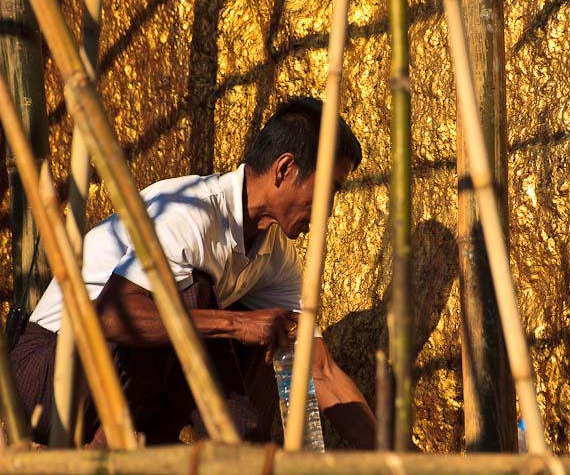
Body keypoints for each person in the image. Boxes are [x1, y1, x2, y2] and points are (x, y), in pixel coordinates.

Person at [10, 97, 376, 448]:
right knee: (199, 294)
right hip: (48, 378)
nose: (328, 210)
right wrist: (236, 325)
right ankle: (118, 443)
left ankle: (225, 443)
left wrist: (397, 459)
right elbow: (110, 317)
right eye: (330, 189)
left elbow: (320, 369)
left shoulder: (276, 255)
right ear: (285, 169)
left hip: (122, 383)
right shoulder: (189, 211)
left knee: (278, 332)